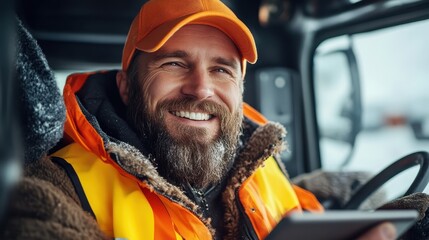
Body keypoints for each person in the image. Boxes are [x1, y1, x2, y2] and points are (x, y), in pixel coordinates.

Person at [3, 0, 428, 239]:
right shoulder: (57, 184)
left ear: (241, 89)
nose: (201, 88)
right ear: (128, 86)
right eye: (174, 63)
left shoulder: (262, 167)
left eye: (222, 69)